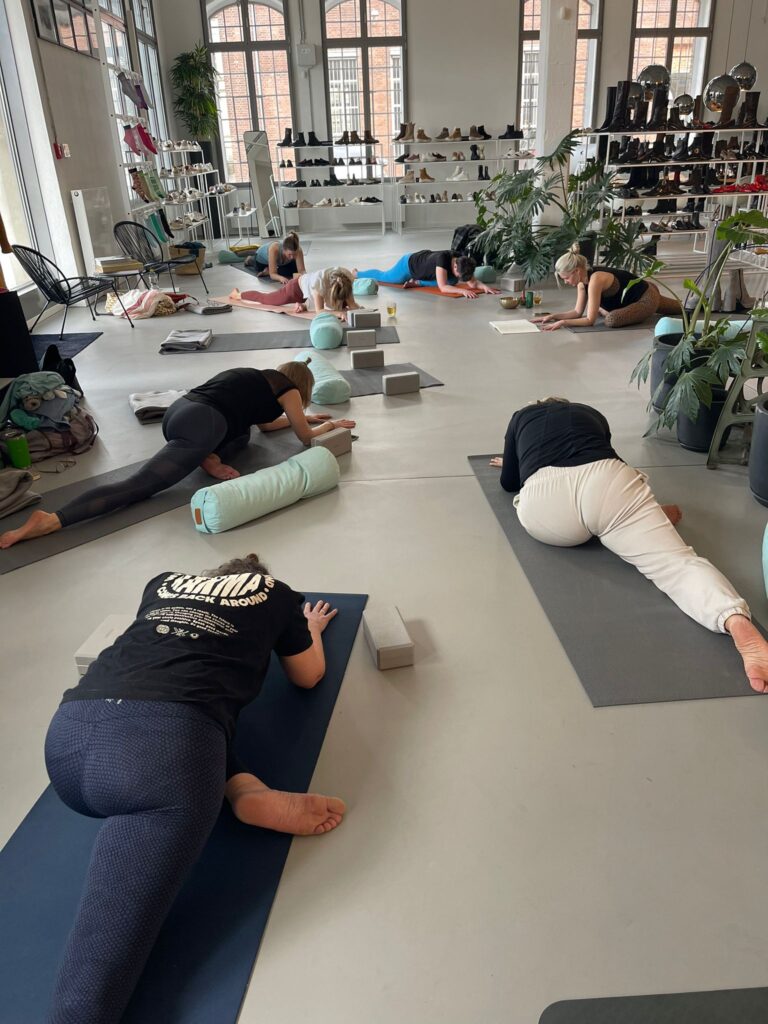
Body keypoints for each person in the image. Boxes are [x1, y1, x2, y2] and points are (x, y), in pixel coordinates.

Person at [43, 552, 346, 1023]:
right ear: (257, 580)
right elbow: (308, 677)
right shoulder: (278, 594)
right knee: (91, 985)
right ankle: (239, 790)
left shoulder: (161, 582)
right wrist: (307, 630)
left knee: (191, 708)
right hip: (162, 759)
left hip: (69, 739)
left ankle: (241, 787)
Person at [491, 397, 768, 692]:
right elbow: (608, 455)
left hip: (548, 507)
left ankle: (617, 524)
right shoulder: (590, 412)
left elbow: (509, 483)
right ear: (565, 402)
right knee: (677, 565)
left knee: (525, 500)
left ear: (538, 403)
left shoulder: (521, 416)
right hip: (607, 484)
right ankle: (738, 624)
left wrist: (515, 463)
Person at [0, 364, 355, 548]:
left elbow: (265, 425)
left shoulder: (259, 378)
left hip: (179, 411)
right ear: (302, 385)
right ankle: (52, 519)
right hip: (203, 425)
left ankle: (209, 457)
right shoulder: (290, 390)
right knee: (138, 486)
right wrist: (328, 424)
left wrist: (305, 416)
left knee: (243, 434)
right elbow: (304, 437)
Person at [531, 245, 681, 330]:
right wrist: (553, 316)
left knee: (611, 319)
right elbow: (577, 312)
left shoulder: (596, 279)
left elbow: (590, 320)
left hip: (646, 298)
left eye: (566, 278)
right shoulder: (582, 283)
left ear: (576, 271)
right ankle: (699, 304)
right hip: (634, 299)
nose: (566, 282)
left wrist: (563, 323)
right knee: (685, 307)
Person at [356, 250, 500, 299]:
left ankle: (418, 282)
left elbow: (472, 282)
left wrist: (484, 287)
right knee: (386, 277)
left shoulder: (461, 260)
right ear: (455, 265)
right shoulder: (443, 260)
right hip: (409, 265)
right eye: (458, 274)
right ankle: (357, 273)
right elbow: (443, 287)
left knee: (452, 282)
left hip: (424, 267)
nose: (459, 277)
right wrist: (463, 290)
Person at [229, 266, 361, 315]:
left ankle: (302, 305)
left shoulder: (346, 278)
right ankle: (237, 294)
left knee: (345, 306)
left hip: (314, 292)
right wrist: (338, 314)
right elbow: (319, 311)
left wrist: (360, 310)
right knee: (267, 299)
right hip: (296, 289)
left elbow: (353, 304)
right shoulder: (318, 282)